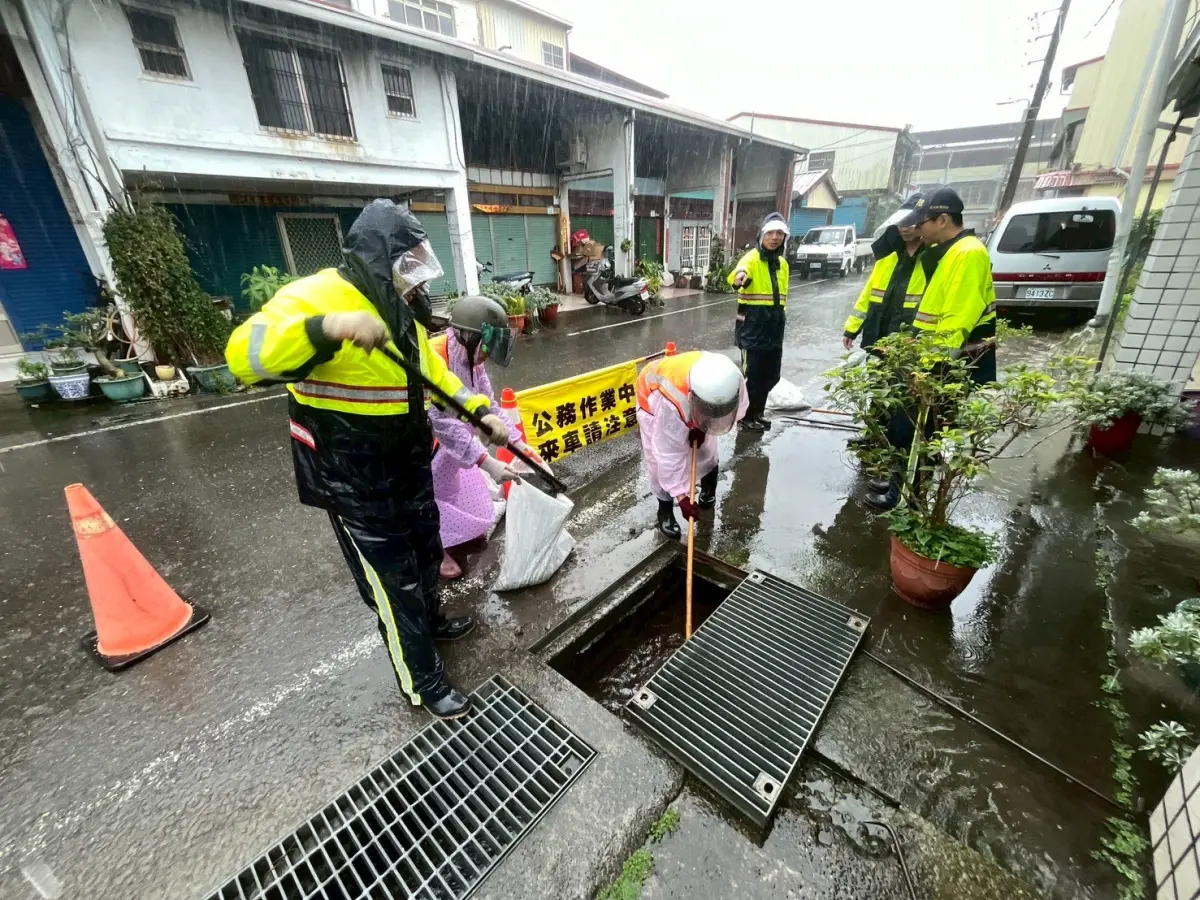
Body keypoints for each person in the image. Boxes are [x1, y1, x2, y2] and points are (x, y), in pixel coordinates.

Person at [225, 199, 510, 721]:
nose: (415, 274)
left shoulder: (399, 308)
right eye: (408, 260)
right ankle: (422, 681)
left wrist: (476, 410)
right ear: (380, 254)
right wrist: (326, 327)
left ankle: (433, 621)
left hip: (405, 462)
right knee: (393, 581)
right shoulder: (316, 296)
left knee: (426, 553)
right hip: (350, 474)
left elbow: (433, 374)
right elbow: (243, 355)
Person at [865, 187, 998, 510]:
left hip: (943, 362)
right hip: (926, 357)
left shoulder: (967, 254)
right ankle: (900, 482)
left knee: (924, 432)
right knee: (905, 426)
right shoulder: (946, 250)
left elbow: (955, 320)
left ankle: (908, 497)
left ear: (942, 219)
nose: (917, 230)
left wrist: (926, 367)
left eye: (921, 223)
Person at [428, 295, 532, 580]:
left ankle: (452, 533)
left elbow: (488, 404)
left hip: (452, 442)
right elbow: (440, 423)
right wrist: (486, 461)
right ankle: (435, 549)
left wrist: (517, 442)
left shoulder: (471, 357)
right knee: (427, 494)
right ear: (467, 336)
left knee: (448, 488)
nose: (486, 355)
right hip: (425, 440)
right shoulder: (435, 355)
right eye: (486, 347)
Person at [635, 350, 749, 538]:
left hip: (689, 401)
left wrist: (703, 427)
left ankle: (707, 491)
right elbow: (668, 454)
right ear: (693, 399)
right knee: (657, 462)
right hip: (653, 402)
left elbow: (739, 407)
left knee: (706, 450)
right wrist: (682, 499)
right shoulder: (669, 401)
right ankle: (665, 511)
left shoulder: (731, 379)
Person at [842, 193, 927, 352]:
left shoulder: (932, 258)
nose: (904, 228)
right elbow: (868, 294)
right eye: (901, 223)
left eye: (911, 223)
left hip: (910, 342)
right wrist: (852, 329)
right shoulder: (888, 255)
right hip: (877, 337)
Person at [729, 213, 790, 432]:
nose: (775, 237)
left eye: (780, 233)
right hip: (752, 327)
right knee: (753, 377)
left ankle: (758, 413)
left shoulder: (782, 264)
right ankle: (745, 417)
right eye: (770, 233)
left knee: (771, 376)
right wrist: (740, 277)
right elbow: (739, 272)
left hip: (774, 329)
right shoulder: (751, 258)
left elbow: (783, 297)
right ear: (762, 234)